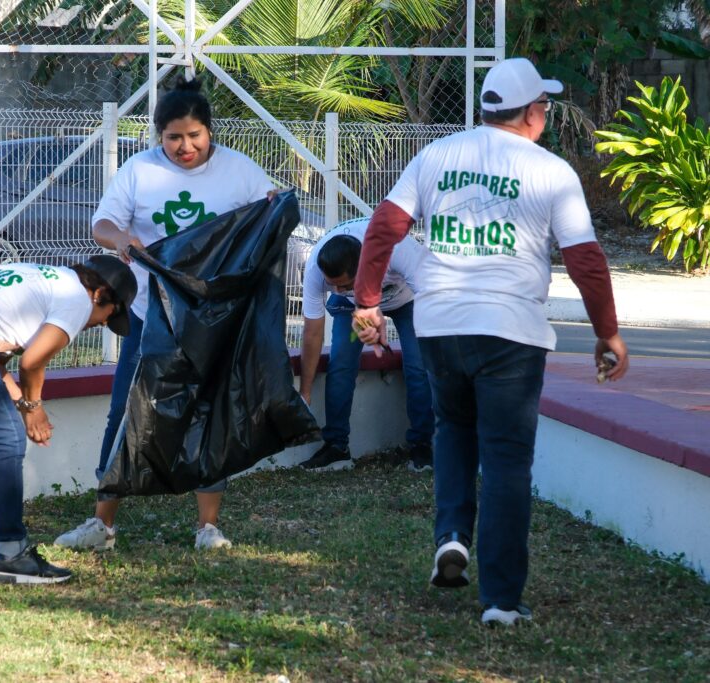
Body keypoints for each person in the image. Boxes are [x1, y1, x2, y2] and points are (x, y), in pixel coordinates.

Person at [351, 58, 629, 626]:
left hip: (440, 325)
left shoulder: (436, 156)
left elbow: (384, 226)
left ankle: (452, 535)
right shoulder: (551, 171)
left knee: (453, 429)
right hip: (511, 333)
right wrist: (607, 334)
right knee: (505, 461)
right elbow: (586, 261)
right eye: (544, 107)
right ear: (531, 114)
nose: (545, 115)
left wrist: (367, 301)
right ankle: (501, 600)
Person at [55, 76, 277, 552]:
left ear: (210, 131)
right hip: (149, 314)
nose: (185, 146)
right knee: (125, 412)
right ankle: (102, 524)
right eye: (173, 137)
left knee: (210, 409)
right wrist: (122, 241)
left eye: (194, 136)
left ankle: (208, 526)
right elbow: (103, 223)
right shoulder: (139, 171)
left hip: (213, 320)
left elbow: (269, 212)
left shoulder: (241, 171)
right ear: (159, 135)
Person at [0, 256, 137, 584]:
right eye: (109, 315)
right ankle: (13, 554)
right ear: (100, 295)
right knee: (7, 441)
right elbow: (31, 362)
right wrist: (32, 409)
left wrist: (24, 404)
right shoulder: (77, 299)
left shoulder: (42, 276)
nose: (101, 324)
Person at [297, 217, 434, 472]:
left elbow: (433, 301)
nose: (337, 291)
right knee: (341, 364)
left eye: (345, 284)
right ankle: (336, 446)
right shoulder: (317, 269)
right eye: (332, 285)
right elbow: (312, 334)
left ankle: (422, 446)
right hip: (352, 310)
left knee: (418, 366)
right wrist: (304, 392)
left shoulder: (398, 249)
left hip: (408, 300)